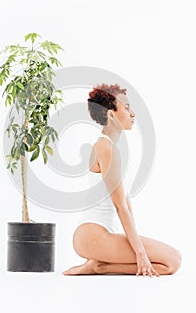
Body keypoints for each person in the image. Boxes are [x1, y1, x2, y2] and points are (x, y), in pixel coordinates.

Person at [62, 83, 182, 277]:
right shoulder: (105, 148)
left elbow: (126, 204)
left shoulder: (112, 149)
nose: (132, 113)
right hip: (91, 235)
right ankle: (97, 266)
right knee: (172, 261)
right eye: (126, 107)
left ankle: (99, 266)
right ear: (110, 114)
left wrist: (137, 246)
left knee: (170, 263)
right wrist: (140, 253)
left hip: (104, 235)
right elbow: (120, 208)